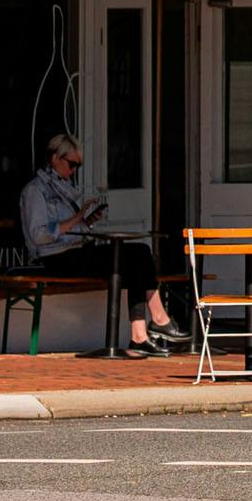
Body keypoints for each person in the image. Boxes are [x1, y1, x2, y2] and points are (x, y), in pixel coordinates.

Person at [16, 135, 179, 358]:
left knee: (138, 255)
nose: (73, 170)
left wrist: (86, 221)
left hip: (75, 251)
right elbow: (39, 235)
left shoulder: (64, 188)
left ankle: (140, 335)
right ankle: (157, 320)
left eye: (77, 166)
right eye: (71, 164)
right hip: (53, 258)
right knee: (135, 255)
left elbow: (71, 228)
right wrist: (77, 217)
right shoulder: (35, 191)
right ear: (55, 158)